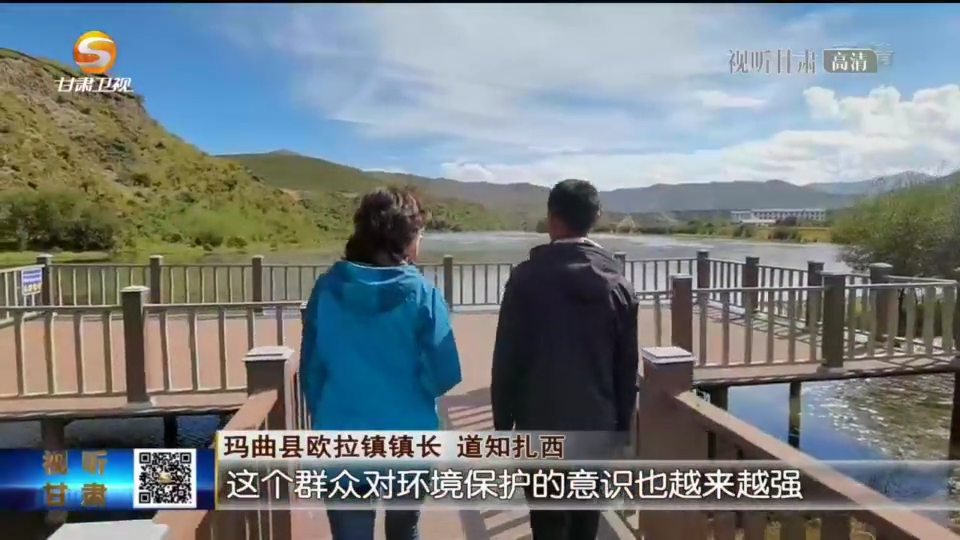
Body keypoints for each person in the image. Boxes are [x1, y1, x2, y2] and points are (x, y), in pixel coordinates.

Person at [299, 186, 463, 540]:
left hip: (342, 439)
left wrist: (327, 413)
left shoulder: (326, 290)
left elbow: (311, 371)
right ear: (404, 237)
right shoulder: (423, 293)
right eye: (419, 232)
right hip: (408, 439)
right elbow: (445, 373)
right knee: (405, 530)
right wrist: (411, 391)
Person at [491, 179, 639, 540]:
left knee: (547, 523)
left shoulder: (524, 280)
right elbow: (626, 368)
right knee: (585, 521)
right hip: (595, 425)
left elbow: (506, 358)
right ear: (596, 217)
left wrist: (504, 425)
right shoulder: (618, 286)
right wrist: (622, 428)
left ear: (551, 218)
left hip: (538, 425)